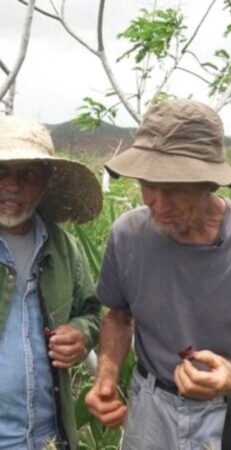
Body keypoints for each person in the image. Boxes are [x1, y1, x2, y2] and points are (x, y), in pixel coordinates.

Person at [85, 99, 231, 450]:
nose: (158, 202)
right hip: (152, 409)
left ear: (209, 182)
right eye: (148, 184)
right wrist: (105, 379)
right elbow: (118, 317)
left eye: (175, 188)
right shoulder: (128, 234)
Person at [0, 116, 103, 449]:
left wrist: (80, 333)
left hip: (49, 436)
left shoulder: (62, 247)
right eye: (1, 172)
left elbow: (92, 312)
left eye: (28, 174)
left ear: (45, 184)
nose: (12, 186)